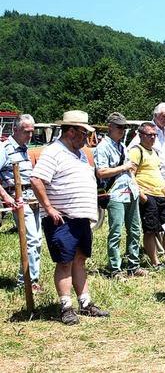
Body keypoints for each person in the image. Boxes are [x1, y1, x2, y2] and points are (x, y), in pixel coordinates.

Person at [30, 110, 109, 325]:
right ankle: (66, 306)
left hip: (80, 218)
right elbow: (37, 180)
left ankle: (85, 303)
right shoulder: (54, 152)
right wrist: (49, 207)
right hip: (62, 218)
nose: (86, 137)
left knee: (80, 259)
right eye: (84, 133)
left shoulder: (80, 153)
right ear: (71, 131)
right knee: (64, 262)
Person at [94, 112, 146, 278]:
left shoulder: (122, 146)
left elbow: (129, 171)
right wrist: (123, 167)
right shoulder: (102, 147)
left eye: (124, 127)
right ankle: (115, 268)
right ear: (110, 127)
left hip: (130, 191)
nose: (122, 130)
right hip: (115, 193)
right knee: (116, 231)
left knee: (135, 230)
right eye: (119, 127)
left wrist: (137, 189)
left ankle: (133, 265)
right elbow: (101, 172)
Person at [0, 114, 43, 291]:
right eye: (27, 132)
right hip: (18, 199)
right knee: (31, 240)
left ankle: (32, 279)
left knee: (37, 239)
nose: (30, 135)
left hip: (31, 198)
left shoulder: (24, 148)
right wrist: (6, 197)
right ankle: (25, 282)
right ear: (15, 129)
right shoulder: (5, 149)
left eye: (32, 132)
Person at [129, 122, 165, 269]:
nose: (153, 137)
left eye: (155, 135)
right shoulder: (136, 151)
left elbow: (159, 175)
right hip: (147, 195)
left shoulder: (155, 153)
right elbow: (130, 174)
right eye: (149, 135)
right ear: (141, 135)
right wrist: (140, 193)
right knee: (150, 230)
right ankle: (155, 262)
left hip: (160, 194)